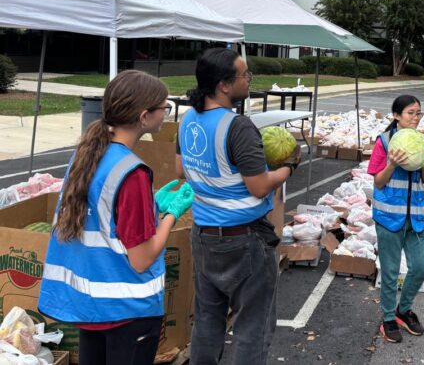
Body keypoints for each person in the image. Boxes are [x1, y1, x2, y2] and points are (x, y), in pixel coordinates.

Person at [38, 70, 195, 365]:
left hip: (91, 308)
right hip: (128, 311)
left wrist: (151, 206)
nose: (167, 114)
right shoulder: (132, 172)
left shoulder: (87, 155)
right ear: (144, 116)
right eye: (165, 108)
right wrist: (170, 216)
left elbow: (102, 217)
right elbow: (142, 258)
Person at [176, 48, 298, 365]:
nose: (249, 79)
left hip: (204, 235)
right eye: (245, 74)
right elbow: (258, 186)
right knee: (252, 326)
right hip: (244, 240)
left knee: (207, 320)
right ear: (224, 85)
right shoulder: (238, 127)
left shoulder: (188, 120)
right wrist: (287, 168)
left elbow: (180, 170)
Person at [367, 95, 424, 343]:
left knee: (418, 267)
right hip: (388, 217)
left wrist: (422, 160)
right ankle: (387, 318)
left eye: (419, 113)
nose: (415, 118)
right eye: (410, 113)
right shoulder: (384, 142)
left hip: (416, 217)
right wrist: (393, 164)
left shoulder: (421, 142)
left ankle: (403, 310)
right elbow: (378, 180)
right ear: (396, 115)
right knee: (391, 272)